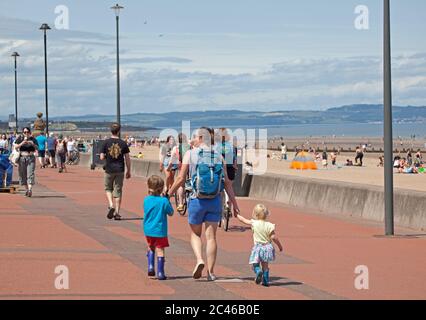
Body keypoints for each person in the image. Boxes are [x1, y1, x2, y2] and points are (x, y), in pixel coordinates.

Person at [168, 127, 240, 281]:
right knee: (212, 237)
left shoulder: (191, 154)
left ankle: (199, 259)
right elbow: (227, 183)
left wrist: (168, 195)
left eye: (194, 136)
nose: (192, 139)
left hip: (196, 199)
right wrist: (234, 203)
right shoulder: (219, 156)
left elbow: (180, 178)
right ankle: (211, 272)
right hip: (214, 200)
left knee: (195, 234)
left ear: (200, 138)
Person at [236, 204, 283, 287]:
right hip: (267, 247)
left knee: (255, 263)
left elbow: (243, 220)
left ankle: (257, 271)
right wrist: (280, 246)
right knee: (265, 265)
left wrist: (237, 215)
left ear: (255, 214)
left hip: (258, 247)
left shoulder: (254, 223)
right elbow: (274, 237)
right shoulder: (269, 225)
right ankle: (265, 280)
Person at [143, 175, 174, 280]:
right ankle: (160, 272)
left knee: (150, 247)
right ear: (161, 189)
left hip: (148, 229)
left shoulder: (146, 200)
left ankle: (150, 266)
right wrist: (167, 200)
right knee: (160, 250)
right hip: (160, 230)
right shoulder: (163, 201)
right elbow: (171, 212)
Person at [100, 123, 131, 221]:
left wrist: (107, 157)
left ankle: (111, 204)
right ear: (119, 131)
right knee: (118, 191)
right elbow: (127, 159)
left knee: (108, 188)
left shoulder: (105, 142)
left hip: (109, 169)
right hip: (120, 169)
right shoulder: (123, 143)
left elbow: (101, 157)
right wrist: (128, 170)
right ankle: (117, 212)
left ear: (111, 131)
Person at [169, 133, 191, 212]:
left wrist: (169, 168)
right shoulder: (189, 147)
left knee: (181, 185)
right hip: (190, 167)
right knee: (191, 183)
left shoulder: (176, 148)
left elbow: (171, 160)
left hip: (181, 167)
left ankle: (181, 203)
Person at [14, 127, 39, 197]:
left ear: (30, 132)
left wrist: (32, 144)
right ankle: (27, 189)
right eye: (25, 132)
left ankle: (30, 189)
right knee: (22, 174)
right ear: (23, 133)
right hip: (22, 158)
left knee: (30, 173)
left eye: (27, 132)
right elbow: (15, 147)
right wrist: (22, 143)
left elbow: (37, 148)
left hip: (30, 157)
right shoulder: (20, 139)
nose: (26, 133)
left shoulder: (33, 139)